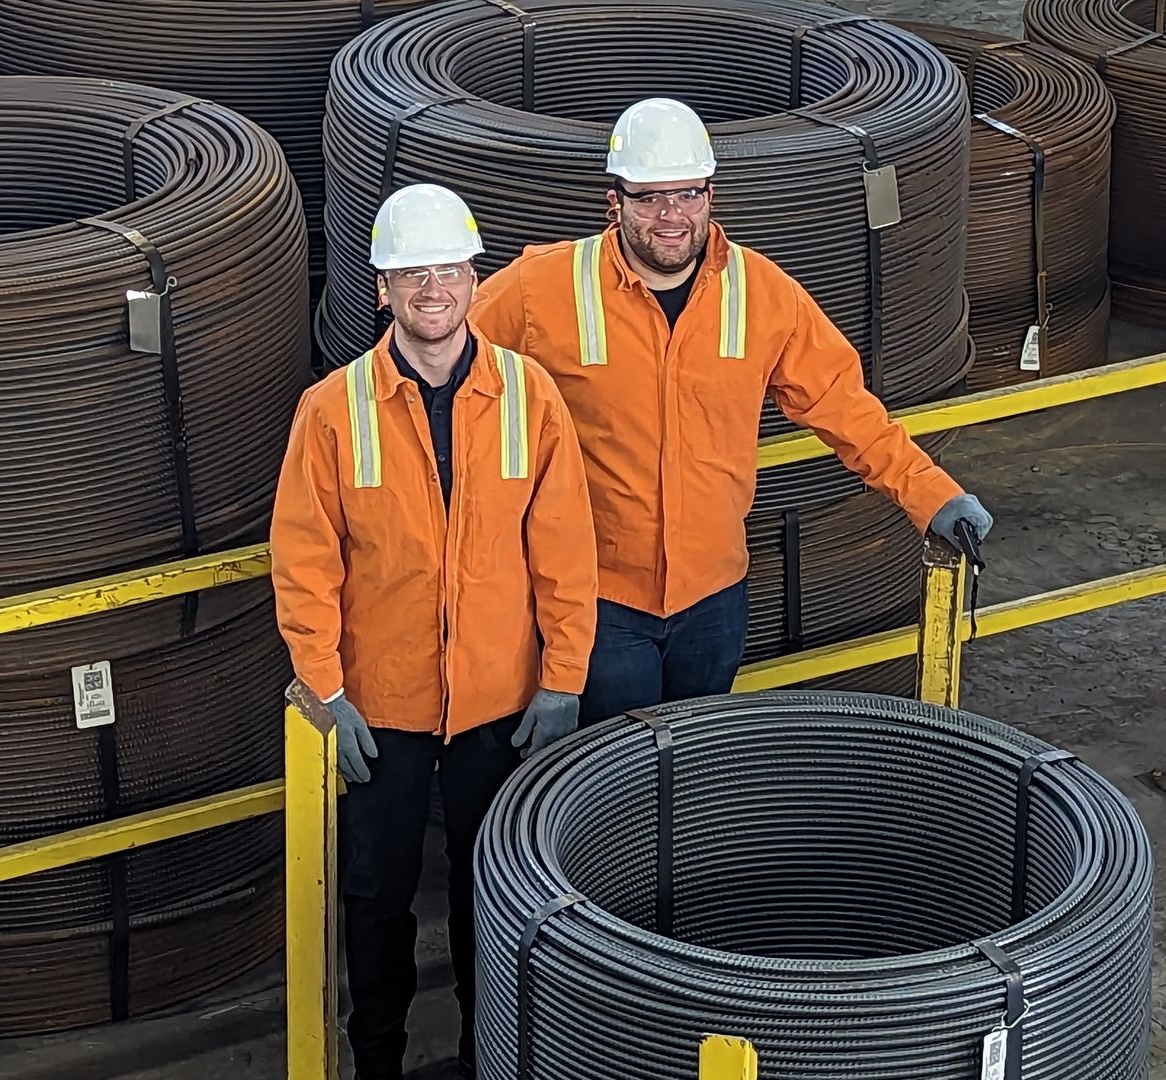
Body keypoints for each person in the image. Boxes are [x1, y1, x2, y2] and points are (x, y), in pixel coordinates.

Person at [468, 96, 995, 726]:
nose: (671, 217)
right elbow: (441, 356)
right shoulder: (542, 288)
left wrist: (933, 495)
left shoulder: (759, 292)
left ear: (711, 195)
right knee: (612, 772)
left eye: (688, 194)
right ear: (615, 202)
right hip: (597, 599)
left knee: (692, 761)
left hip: (712, 600)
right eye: (649, 198)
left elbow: (845, 406)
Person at [270, 183, 598, 1080]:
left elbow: (565, 550)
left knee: (489, 894)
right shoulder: (334, 411)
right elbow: (305, 565)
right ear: (381, 288)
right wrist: (326, 691)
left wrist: (564, 679)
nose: (432, 290)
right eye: (411, 273)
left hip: (501, 700)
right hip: (381, 708)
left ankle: (489, 1056)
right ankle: (376, 1062)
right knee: (375, 901)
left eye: (447, 269)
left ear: (472, 277)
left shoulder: (529, 396)